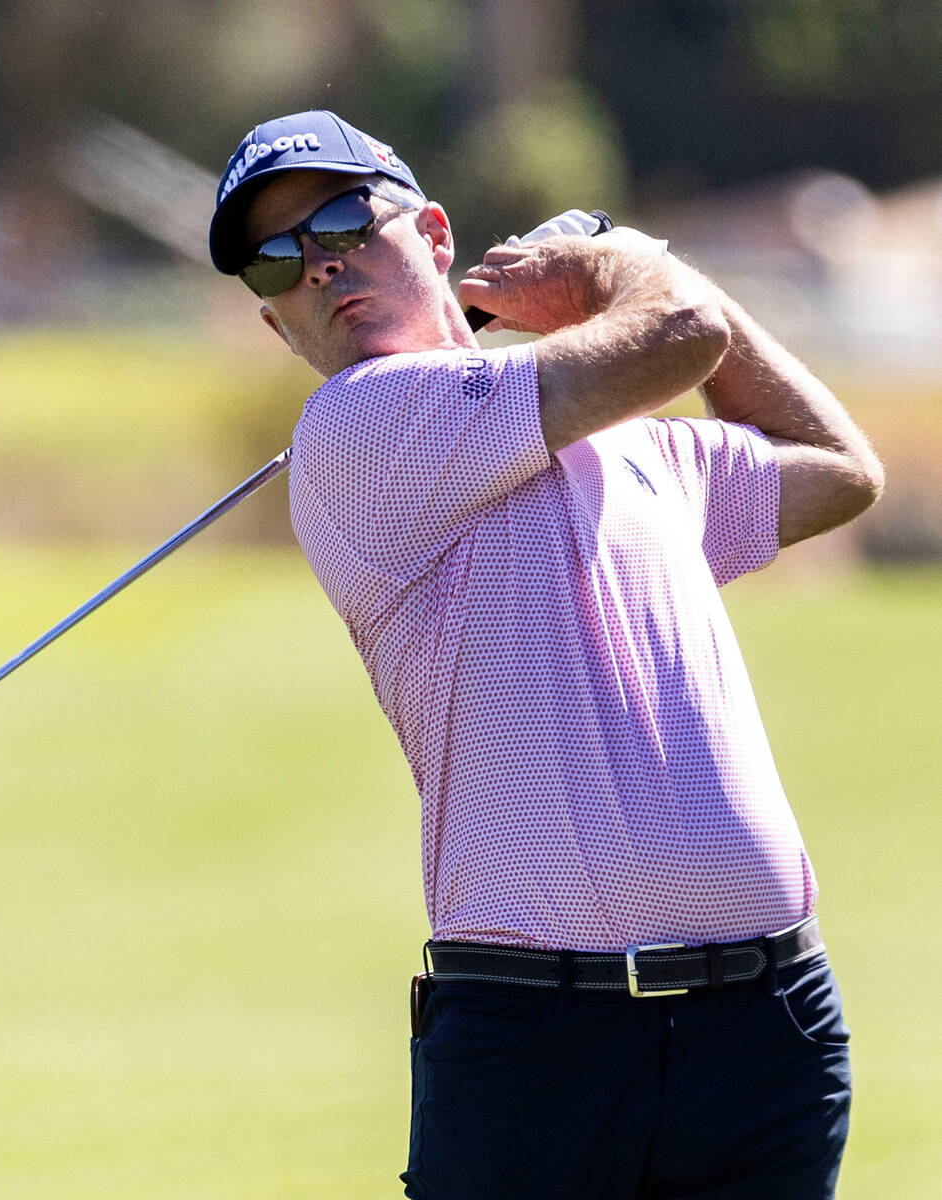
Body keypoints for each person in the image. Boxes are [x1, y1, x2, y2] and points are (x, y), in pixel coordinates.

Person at [207, 110, 883, 1199]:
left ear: (434, 235)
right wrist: (621, 265)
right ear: (281, 327)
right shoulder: (357, 429)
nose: (318, 261)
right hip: (537, 1044)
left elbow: (838, 467)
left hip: (767, 1027)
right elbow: (679, 335)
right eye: (274, 259)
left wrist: (640, 288)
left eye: (341, 219)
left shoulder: (641, 446)